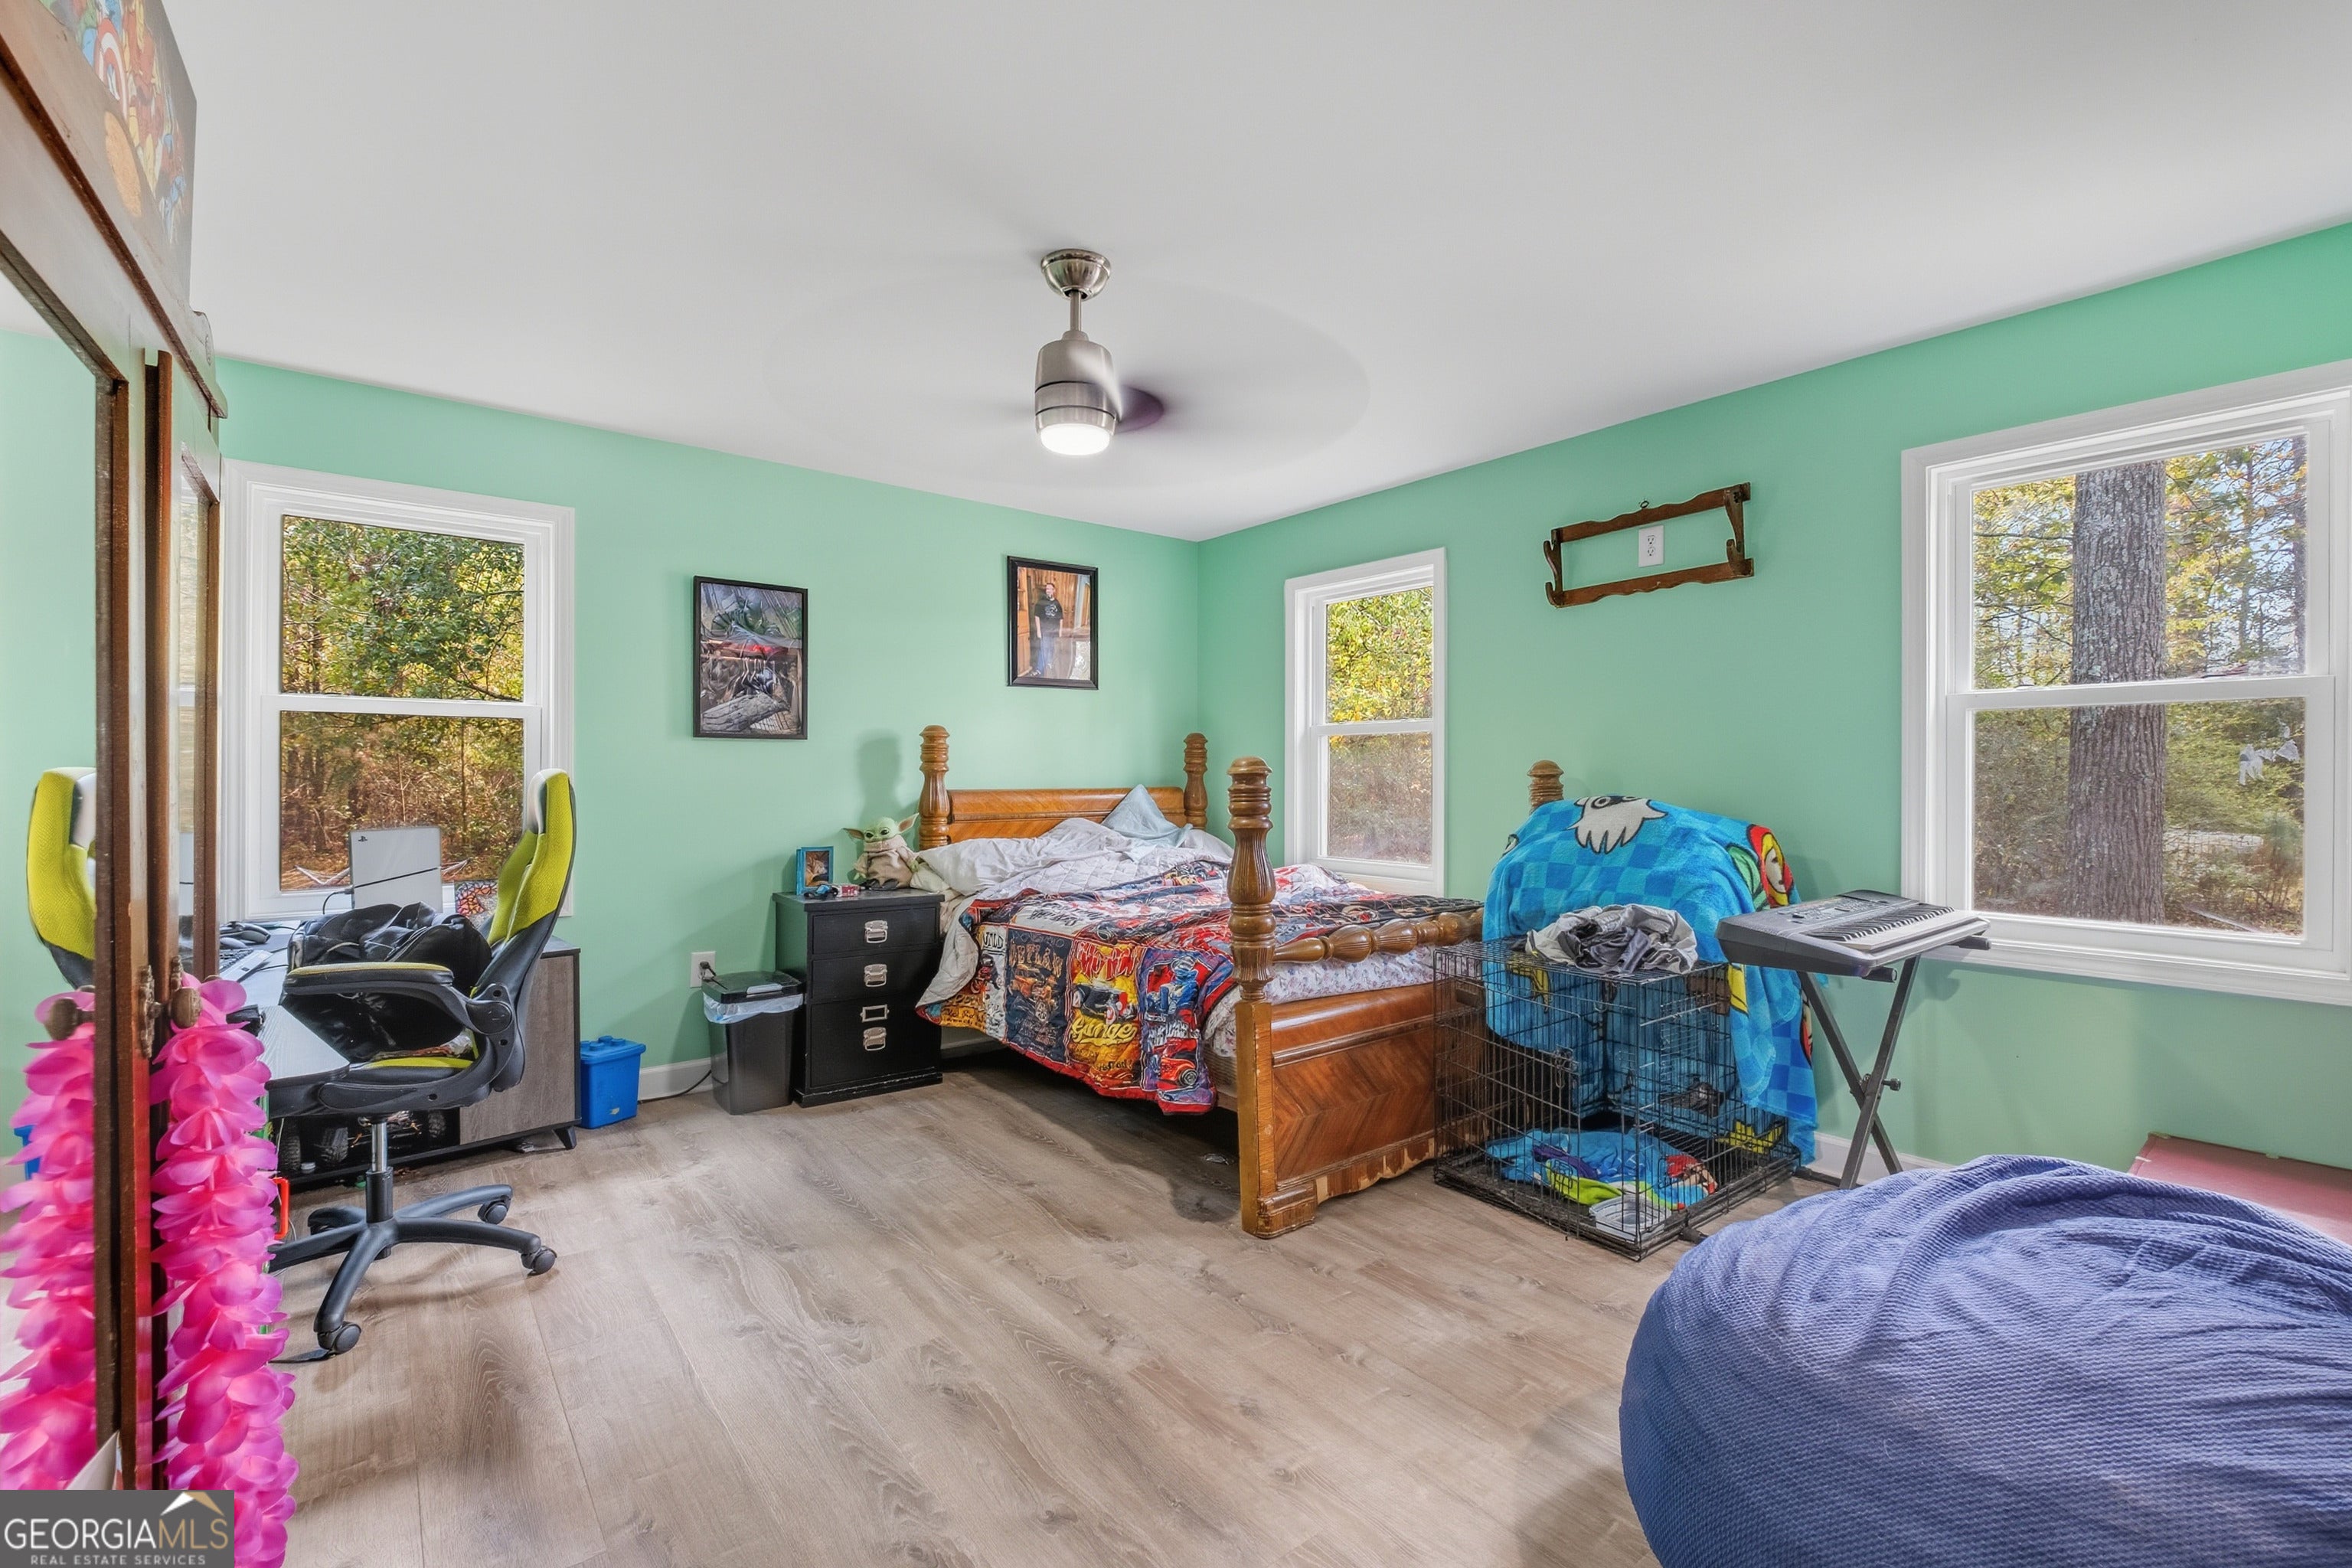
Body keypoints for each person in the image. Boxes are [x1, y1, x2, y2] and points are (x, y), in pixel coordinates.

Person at [1030, 579, 1063, 678]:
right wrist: (1039, 631)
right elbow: (1037, 617)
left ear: (1054, 590)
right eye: (1047, 589)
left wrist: (1060, 631)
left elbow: (1061, 618)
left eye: (1050, 589)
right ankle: (1041, 670)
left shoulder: (1057, 603)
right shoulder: (1041, 602)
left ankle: (1048, 664)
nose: (1048, 591)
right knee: (1044, 650)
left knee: (1051, 648)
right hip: (1045, 631)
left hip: (1054, 631)